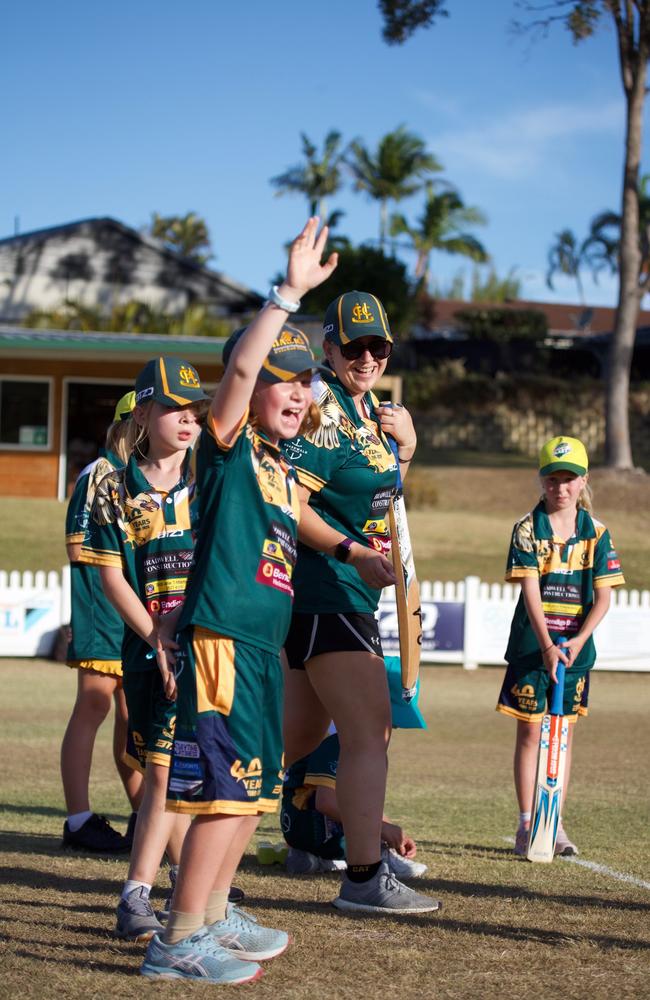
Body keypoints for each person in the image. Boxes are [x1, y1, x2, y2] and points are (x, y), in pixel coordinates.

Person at [140, 217, 337, 985]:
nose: (295, 391)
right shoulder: (226, 445)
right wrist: (287, 293)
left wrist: (354, 550)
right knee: (223, 794)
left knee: (251, 794)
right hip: (221, 639)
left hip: (261, 646)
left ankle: (216, 913)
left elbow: (309, 520)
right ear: (246, 392)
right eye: (280, 381)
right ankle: (177, 938)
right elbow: (245, 372)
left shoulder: (282, 468)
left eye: (302, 381)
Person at [282, 290, 440, 914]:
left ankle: (186, 836)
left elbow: (381, 499)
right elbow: (293, 506)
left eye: (378, 346)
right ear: (328, 347)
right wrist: (353, 554)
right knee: (369, 732)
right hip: (327, 591)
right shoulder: (323, 407)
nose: (368, 356)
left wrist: (405, 451)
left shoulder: (368, 406)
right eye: (355, 346)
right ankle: (365, 876)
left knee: (284, 745)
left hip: (344, 593)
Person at [80, 357, 208, 941]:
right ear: (145, 411)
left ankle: (201, 887)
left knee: (202, 772)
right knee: (161, 767)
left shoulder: (212, 477)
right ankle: (136, 895)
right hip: (148, 649)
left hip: (209, 644)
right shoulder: (113, 482)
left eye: (195, 411)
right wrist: (156, 635)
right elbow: (111, 575)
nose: (187, 419)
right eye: (173, 407)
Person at [496, 436, 625, 856]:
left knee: (561, 735)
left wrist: (577, 641)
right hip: (534, 650)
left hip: (575, 655)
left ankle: (555, 824)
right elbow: (530, 591)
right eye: (553, 478)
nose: (561, 487)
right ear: (542, 479)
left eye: (569, 479)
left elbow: (604, 597)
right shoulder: (527, 529)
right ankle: (527, 822)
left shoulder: (598, 533)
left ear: (583, 480)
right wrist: (549, 645)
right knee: (531, 732)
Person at [61, 392, 143, 853]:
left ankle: (142, 812)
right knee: (94, 706)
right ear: (124, 426)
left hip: (132, 614)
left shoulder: (140, 477)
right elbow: (82, 548)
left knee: (135, 720)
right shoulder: (101, 473)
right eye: (139, 423)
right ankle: (78, 819)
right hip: (102, 609)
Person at [281, 729, 427, 879]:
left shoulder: (327, 735)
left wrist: (394, 834)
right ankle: (376, 854)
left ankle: (315, 857)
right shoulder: (339, 741)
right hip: (313, 827)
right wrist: (381, 829)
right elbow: (326, 803)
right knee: (356, 791)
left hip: (294, 826)